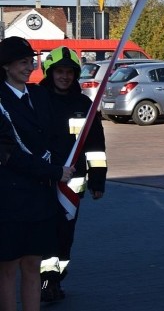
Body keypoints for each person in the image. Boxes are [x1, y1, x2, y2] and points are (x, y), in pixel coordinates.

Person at [0, 36, 74, 311]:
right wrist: (55, 171)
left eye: (30, 61)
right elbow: (11, 156)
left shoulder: (39, 95)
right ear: (6, 66)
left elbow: (55, 132)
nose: (28, 67)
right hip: (9, 198)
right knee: (7, 268)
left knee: (33, 264)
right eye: (22, 62)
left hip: (39, 197)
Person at [38, 46, 108, 302]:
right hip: (42, 181)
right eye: (59, 71)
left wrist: (98, 180)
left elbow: (96, 147)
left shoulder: (83, 104)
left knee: (64, 236)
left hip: (72, 185)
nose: (64, 76)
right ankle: (47, 281)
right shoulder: (36, 99)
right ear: (50, 72)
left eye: (69, 72)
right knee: (44, 232)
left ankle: (57, 276)